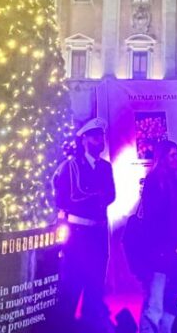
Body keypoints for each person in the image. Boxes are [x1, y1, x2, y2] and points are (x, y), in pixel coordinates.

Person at [53, 117, 116, 333]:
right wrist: (95, 198)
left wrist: (92, 197)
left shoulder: (106, 167)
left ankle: (90, 325)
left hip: (98, 232)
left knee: (96, 283)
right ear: (84, 140)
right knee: (73, 283)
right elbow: (65, 199)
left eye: (102, 137)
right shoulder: (70, 166)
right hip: (78, 234)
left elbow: (110, 196)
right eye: (96, 137)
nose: (101, 141)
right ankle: (66, 327)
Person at [139, 140, 177, 333]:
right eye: (172, 155)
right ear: (163, 157)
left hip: (168, 247)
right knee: (156, 298)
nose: (176, 158)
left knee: (168, 296)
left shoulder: (172, 179)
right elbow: (155, 219)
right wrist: (166, 246)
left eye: (176, 154)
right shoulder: (156, 181)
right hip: (160, 249)